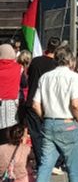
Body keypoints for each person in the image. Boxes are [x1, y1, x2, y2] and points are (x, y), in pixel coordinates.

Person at [30, 44, 78, 182]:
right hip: (67, 122)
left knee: (45, 167)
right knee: (75, 168)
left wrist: (45, 117)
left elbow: (35, 104)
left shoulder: (46, 77)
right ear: (70, 60)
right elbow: (76, 103)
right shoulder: (73, 77)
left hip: (49, 123)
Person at [24, 36, 59, 166]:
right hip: (49, 103)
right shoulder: (56, 65)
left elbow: (29, 78)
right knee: (50, 134)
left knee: (36, 134)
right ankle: (54, 161)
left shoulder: (35, 61)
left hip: (33, 100)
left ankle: (41, 161)